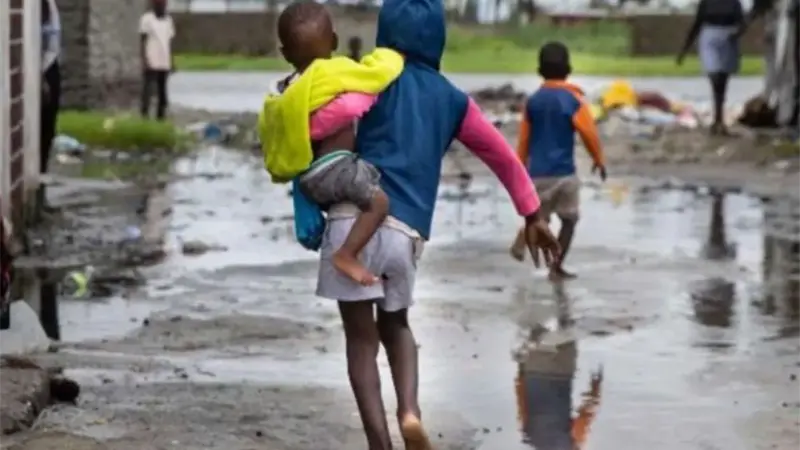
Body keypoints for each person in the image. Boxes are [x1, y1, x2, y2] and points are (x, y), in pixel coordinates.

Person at [305, 0, 561, 447]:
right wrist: (531, 212)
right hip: (405, 234)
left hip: (352, 218)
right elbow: (501, 155)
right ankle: (409, 412)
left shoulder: (367, 77)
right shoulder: (452, 99)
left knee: (361, 342)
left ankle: (379, 444)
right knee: (397, 326)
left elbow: (321, 124)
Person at [260, 2, 403, 285]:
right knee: (379, 203)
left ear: (285, 54)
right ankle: (346, 255)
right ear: (335, 42)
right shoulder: (330, 72)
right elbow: (374, 77)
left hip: (310, 181)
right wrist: (392, 56)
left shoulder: (285, 90)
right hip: (334, 170)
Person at [510, 42, 605, 281]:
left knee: (539, 219)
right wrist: (598, 159)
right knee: (569, 220)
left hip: (537, 174)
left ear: (539, 70)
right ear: (568, 68)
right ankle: (556, 265)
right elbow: (589, 134)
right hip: (564, 174)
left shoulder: (533, 102)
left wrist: (518, 168)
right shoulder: (573, 100)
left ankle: (526, 233)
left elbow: (524, 140)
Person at [677, 0, 745, 135]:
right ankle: (717, 119)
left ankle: (718, 119)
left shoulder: (734, 3)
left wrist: (736, 34)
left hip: (728, 38)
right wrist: (684, 50)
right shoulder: (706, 3)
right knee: (715, 76)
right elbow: (697, 24)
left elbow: (742, 23)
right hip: (709, 38)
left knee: (723, 78)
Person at [39, 0, 61, 213]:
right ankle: (38, 195)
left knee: (48, 133)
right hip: (45, 69)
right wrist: (41, 75)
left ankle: (41, 193)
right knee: (43, 132)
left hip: (52, 64)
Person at [139, 0, 175, 120]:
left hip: (164, 60)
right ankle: (144, 115)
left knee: (162, 91)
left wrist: (172, 61)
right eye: (159, 4)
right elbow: (143, 40)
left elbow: (169, 42)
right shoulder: (147, 19)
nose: (162, 7)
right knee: (148, 90)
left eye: (164, 5)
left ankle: (160, 117)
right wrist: (144, 60)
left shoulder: (168, 21)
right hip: (152, 59)